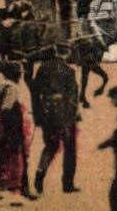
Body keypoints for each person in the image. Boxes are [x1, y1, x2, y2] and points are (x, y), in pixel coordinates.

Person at [31, 43, 81, 197]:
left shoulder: (42, 69)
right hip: (63, 113)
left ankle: (40, 175)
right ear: (67, 53)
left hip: (46, 110)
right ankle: (67, 184)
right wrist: (73, 115)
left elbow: (34, 93)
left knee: (50, 146)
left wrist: (37, 115)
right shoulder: (69, 70)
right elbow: (73, 96)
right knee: (70, 148)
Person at [0, 63, 34, 204]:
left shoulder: (0, 84)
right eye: (20, 72)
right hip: (8, 127)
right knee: (15, 157)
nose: (21, 75)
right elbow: (7, 108)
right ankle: (18, 191)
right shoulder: (11, 88)